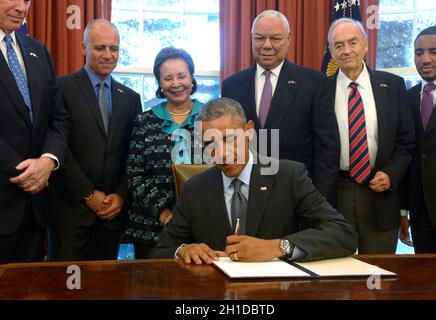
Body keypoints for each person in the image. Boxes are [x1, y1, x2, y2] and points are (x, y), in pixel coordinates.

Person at [151, 97, 357, 264]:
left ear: (249, 130)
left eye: (229, 139)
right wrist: (183, 250)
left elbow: (343, 234)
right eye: (209, 143)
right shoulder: (194, 189)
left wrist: (277, 247)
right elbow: (162, 251)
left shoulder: (289, 176)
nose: (221, 154)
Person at [221, 10, 340, 207]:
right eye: (259, 38)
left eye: (275, 38)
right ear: (251, 38)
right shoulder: (232, 85)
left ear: (289, 38)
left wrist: (319, 203)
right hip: (245, 197)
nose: (266, 45)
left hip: (296, 197)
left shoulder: (313, 82)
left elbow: (327, 150)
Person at [48, 19, 142, 261]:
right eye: (100, 48)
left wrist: (121, 195)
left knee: (105, 288)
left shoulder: (130, 98)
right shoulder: (61, 87)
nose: (108, 55)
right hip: (70, 212)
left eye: (114, 49)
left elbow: (134, 153)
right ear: (84, 48)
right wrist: (89, 194)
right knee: (67, 291)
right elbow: (58, 146)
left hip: (112, 214)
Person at [327, 18, 415, 253]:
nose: (346, 50)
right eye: (338, 45)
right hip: (336, 193)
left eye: (353, 42)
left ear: (365, 45)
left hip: (381, 192)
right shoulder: (320, 89)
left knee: (378, 271)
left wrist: (391, 173)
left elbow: (406, 142)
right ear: (331, 52)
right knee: (336, 270)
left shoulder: (393, 86)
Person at [0, 0, 69, 264]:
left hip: (37, 210)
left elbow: (59, 119)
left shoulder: (38, 52)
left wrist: (48, 161)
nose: (21, 7)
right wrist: (27, 171)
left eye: (27, 0)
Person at [125, 47, 205, 259]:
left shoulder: (212, 117)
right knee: (152, 290)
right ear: (160, 83)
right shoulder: (144, 121)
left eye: (182, 76)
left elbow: (223, 169)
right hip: (151, 228)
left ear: (192, 77)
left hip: (202, 227)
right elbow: (134, 174)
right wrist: (163, 213)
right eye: (168, 78)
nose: (176, 83)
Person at [400, 26, 436, 254]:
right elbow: (405, 155)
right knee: (425, 284)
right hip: (420, 216)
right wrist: (403, 211)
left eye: (434, 51)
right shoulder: (407, 98)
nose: (425, 59)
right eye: (419, 53)